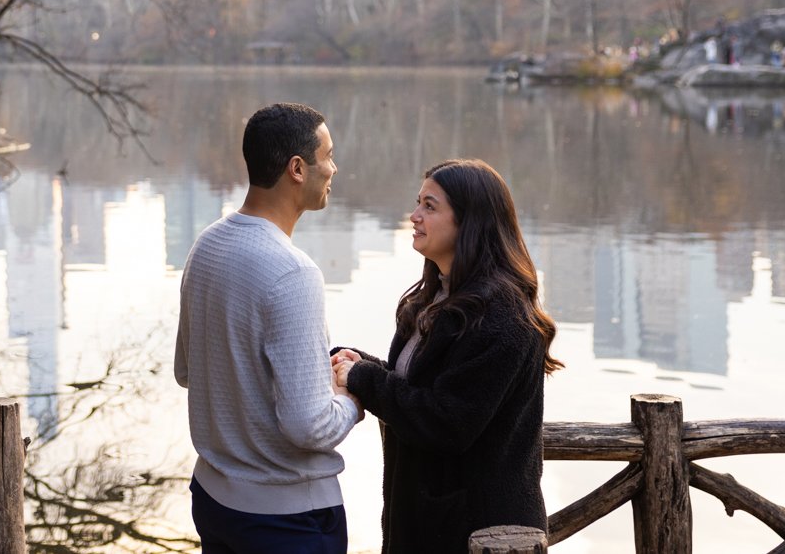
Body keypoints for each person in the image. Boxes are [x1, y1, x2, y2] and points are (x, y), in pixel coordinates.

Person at [331, 159, 560, 553]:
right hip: (425, 521)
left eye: (430, 207)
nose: (415, 216)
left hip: (482, 534)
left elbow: (448, 421)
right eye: (418, 203)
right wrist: (362, 364)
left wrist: (365, 379)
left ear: (469, 221)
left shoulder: (503, 316)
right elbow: (422, 386)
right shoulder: (433, 299)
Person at [175, 103, 362, 554]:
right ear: (297, 168)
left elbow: (187, 371)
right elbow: (309, 426)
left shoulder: (207, 245)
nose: (334, 168)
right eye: (328, 156)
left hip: (216, 501)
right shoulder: (292, 272)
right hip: (286, 519)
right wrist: (351, 397)